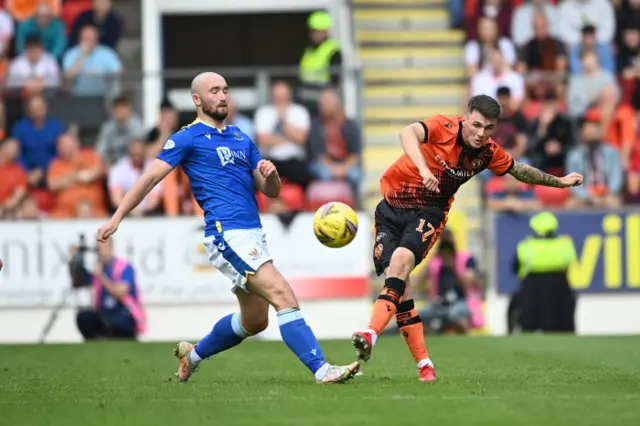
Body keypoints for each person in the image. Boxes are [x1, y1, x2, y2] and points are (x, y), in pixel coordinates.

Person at [96, 72, 359, 384]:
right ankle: (322, 369)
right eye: (214, 91)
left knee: (255, 320)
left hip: (253, 232)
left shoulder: (240, 138)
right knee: (282, 292)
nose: (222, 96)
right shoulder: (187, 138)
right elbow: (151, 177)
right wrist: (117, 217)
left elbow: (270, 190)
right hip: (226, 233)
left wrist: (271, 175)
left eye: (225, 90)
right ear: (197, 100)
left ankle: (192, 355)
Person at [352, 94, 584, 382]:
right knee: (402, 289)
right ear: (465, 118)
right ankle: (425, 366)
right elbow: (406, 132)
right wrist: (424, 168)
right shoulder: (442, 126)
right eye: (476, 125)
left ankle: (370, 334)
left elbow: (519, 170)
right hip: (389, 210)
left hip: (429, 211)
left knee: (400, 263)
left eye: (488, 128)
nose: (480, 134)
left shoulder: (488, 152)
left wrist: (558, 182)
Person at [510, 212, 577, 333]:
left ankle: (510, 332)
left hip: (531, 290)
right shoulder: (565, 244)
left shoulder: (526, 246)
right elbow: (568, 266)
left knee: (516, 312)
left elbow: (515, 268)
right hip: (560, 289)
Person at [75, 238, 146, 340]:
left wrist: (101, 277)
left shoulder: (123, 266)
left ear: (111, 248)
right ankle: (99, 342)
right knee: (83, 317)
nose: (100, 252)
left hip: (123, 311)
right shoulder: (98, 268)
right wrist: (76, 260)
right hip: (104, 313)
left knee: (118, 321)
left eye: (103, 248)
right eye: (98, 249)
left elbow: (121, 293)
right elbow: (78, 282)